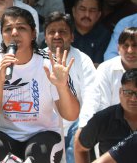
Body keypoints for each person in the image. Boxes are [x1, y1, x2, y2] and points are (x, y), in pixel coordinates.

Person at [0, 6, 79, 163]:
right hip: (5, 133)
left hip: (44, 134)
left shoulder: (50, 63)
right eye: (8, 29)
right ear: (2, 35)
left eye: (21, 28)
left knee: (38, 152)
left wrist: (62, 86)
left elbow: (71, 115)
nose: (14, 33)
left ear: (33, 34)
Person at [43, 11, 98, 163]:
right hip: (45, 126)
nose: (57, 35)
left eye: (62, 31)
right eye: (51, 32)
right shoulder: (36, 60)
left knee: (79, 136)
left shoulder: (82, 60)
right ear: (45, 37)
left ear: (72, 36)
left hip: (76, 124)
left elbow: (92, 95)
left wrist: (83, 125)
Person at [74, 69, 137, 162]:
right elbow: (80, 147)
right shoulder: (102, 119)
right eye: (128, 92)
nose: (133, 99)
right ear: (120, 92)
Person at [71, 0, 111, 66]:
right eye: (82, 9)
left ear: (98, 15)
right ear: (74, 11)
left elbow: (100, 66)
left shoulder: (104, 35)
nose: (87, 15)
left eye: (92, 11)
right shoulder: (64, 31)